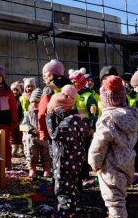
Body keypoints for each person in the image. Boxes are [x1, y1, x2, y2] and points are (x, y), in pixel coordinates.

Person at [88, 75, 138, 218]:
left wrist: (94, 163)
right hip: (127, 162)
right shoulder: (132, 116)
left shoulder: (107, 119)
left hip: (111, 167)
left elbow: (99, 144)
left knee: (114, 201)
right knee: (121, 195)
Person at [46, 85, 89, 217]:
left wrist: (49, 118)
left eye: (53, 111)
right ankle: (70, 210)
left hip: (66, 161)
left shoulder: (67, 123)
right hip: (75, 160)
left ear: (60, 111)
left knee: (63, 189)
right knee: (71, 187)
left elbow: (54, 134)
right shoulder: (78, 120)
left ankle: (65, 213)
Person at [21, 88, 52, 177]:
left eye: (37, 102)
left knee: (45, 154)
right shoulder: (28, 113)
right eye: (32, 102)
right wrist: (31, 129)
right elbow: (25, 124)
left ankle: (47, 169)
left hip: (43, 137)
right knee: (31, 154)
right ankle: (32, 168)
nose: (34, 104)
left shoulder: (45, 113)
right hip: (32, 137)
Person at [121, 72, 138, 175]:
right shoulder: (120, 94)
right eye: (124, 82)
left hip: (137, 123)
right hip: (125, 124)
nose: (126, 85)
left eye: (127, 83)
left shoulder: (137, 95)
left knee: (137, 145)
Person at [10, 80, 24, 158]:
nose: (15, 91)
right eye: (13, 90)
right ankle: (14, 149)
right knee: (13, 135)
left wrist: (21, 119)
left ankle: (21, 149)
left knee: (20, 135)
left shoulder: (21, 99)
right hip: (12, 120)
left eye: (17, 90)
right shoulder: (10, 99)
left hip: (20, 120)